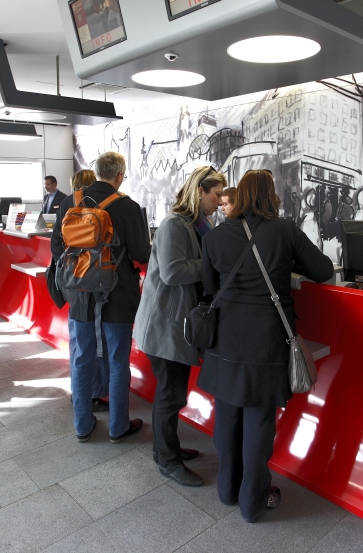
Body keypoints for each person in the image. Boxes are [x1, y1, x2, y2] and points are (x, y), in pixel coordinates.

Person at [198, 169, 333, 522]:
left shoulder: (214, 236)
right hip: (266, 339)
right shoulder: (284, 230)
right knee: (259, 422)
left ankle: (227, 490)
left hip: (224, 339)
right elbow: (322, 270)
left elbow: (210, 289)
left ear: (239, 195)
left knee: (226, 416)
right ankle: (253, 501)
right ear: (270, 195)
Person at [135, 166, 227, 487]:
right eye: (216, 195)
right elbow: (173, 272)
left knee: (173, 394)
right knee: (169, 396)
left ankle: (167, 447)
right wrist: (214, 263)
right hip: (165, 325)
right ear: (200, 190)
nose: (219, 202)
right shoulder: (176, 225)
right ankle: (167, 460)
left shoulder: (198, 224)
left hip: (174, 324)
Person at [51, 152, 151, 443]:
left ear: (95, 173)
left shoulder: (71, 201)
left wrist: (82, 268)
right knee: (118, 360)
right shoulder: (127, 206)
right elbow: (141, 254)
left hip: (80, 295)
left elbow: (57, 247)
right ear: (119, 175)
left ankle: (82, 425)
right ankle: (118, 427)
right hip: (117, 294)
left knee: (81, 357)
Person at [68, 168, 109, 412]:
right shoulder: (103, 208)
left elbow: (56, 246)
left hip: (74, 283)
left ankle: (81, 393)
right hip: (94, 284)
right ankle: (91, 395)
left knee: (79, 344)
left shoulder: (67, 204)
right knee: (94, 346)